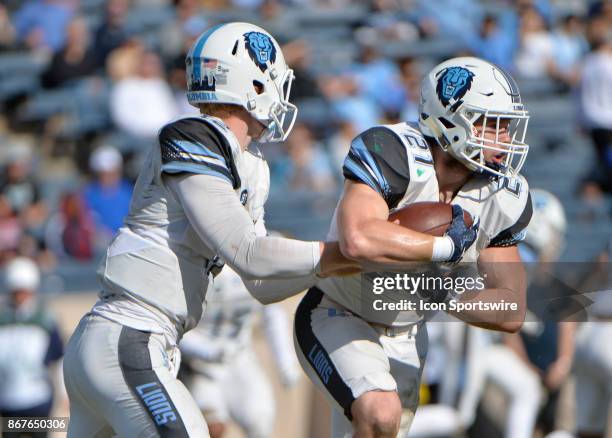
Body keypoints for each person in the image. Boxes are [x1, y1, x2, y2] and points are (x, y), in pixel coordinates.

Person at [63, 22, 355, 438]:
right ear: (252, 86)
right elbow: (248, 252)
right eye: (274, 82)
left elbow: (259, 281)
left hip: (139, 341)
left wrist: (344, 265)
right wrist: (348, 252)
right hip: (129, 336)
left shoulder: (249, 164)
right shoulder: (193, 135)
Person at [294, 57, 533, 438]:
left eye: (506, 125)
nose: (504, 138)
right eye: (492, 124)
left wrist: (440, 289)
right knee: (380, 412)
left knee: (378, 427)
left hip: (407, 335)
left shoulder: (500, 194)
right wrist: (439, 249)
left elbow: (510, 308)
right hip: (339, 313)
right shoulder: (392, 150)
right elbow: (358, 237)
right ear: (451, 118)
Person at [179, 264, 299, 438]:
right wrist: (207, 351)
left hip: (239, 356)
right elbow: (174, 326)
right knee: (208, 428)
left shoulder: (258, 258)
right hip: (196, 364)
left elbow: (272, 313)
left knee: (260, 419)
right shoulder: (191, 257)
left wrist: (286, 362)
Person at [0, 257, 65, 437]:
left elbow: (57, 358)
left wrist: (64, 393)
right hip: (8, 399)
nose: (20, 296)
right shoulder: (3, 319)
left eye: (24, 291)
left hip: (38, 399)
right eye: (16, 291)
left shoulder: (45, 319)